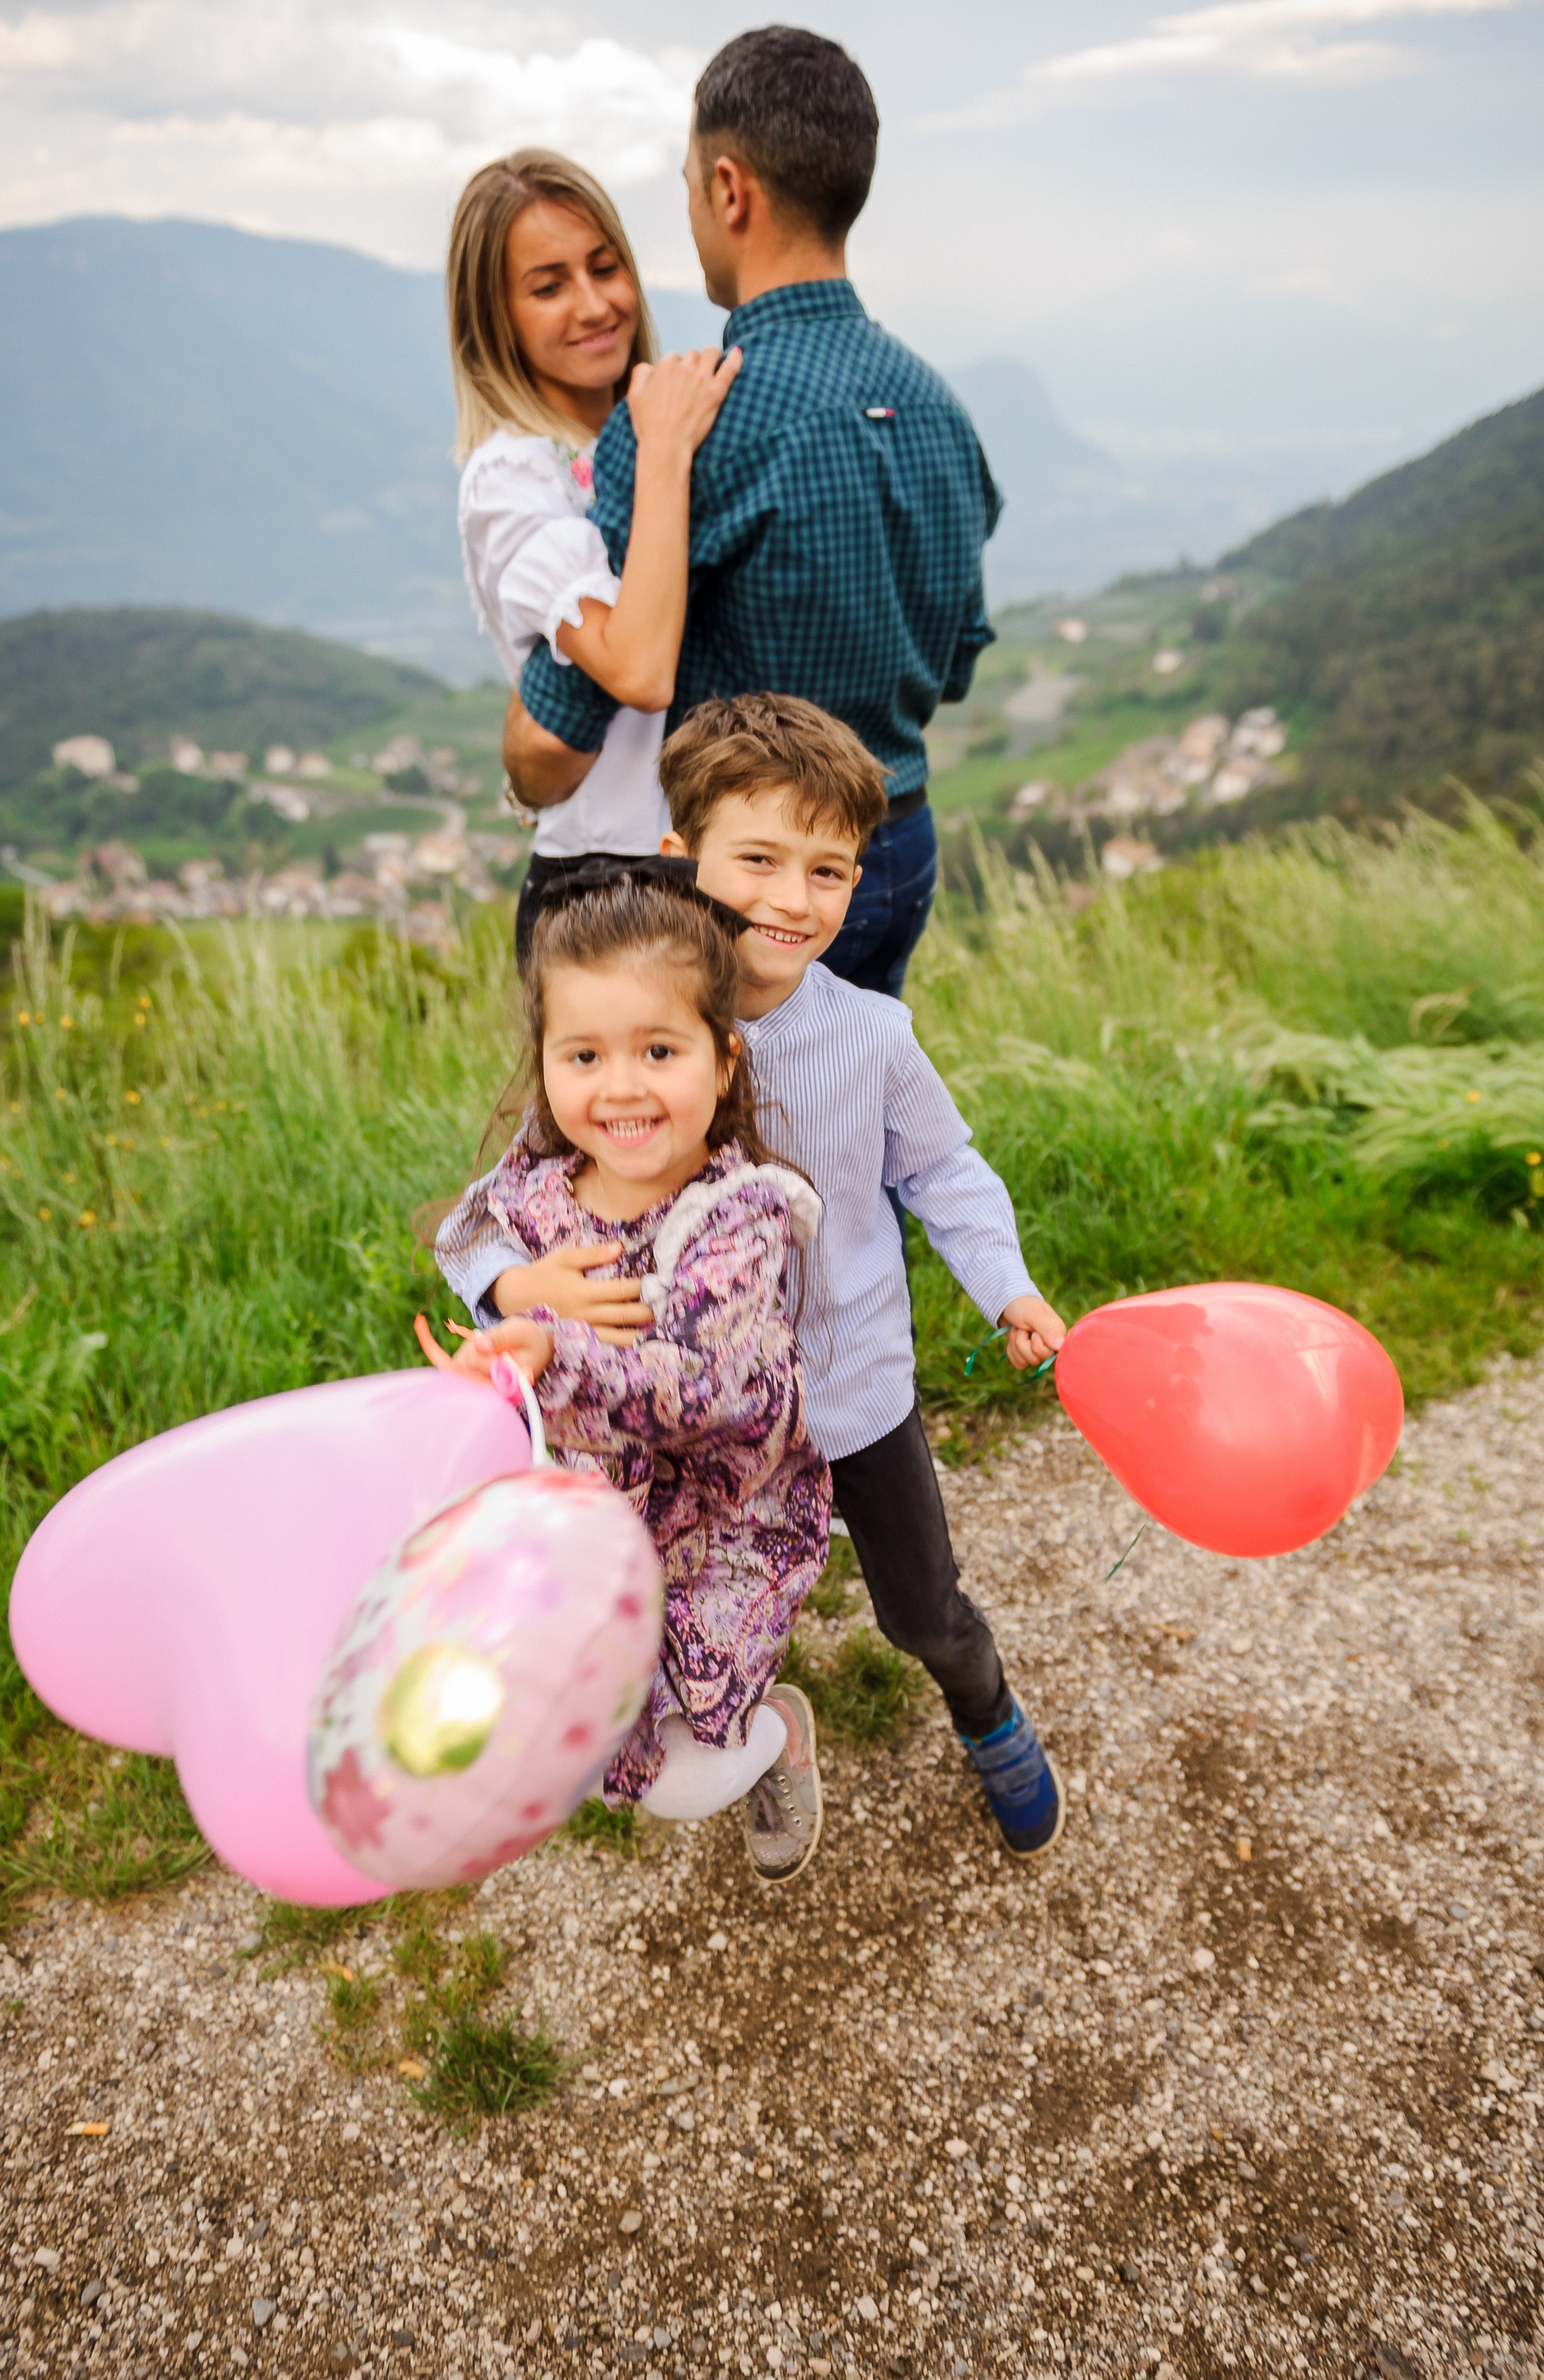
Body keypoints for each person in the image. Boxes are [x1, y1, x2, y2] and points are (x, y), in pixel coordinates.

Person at [447, 695, 1072, 1862]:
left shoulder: (872, 1037)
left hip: (847, 1392)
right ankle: (756, 1739)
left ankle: (983, 1705)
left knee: (919, 1608)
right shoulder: (628, 1036)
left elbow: (944, 1169)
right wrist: (517, 1291)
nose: (793, 898)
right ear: (680, 856)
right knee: (699, 1619)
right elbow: (495, 1207)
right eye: (759, 860)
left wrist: (1008, 1286)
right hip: (692, 1420)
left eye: (826, 870)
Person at [504, 28, 1001, 999]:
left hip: (750, 883)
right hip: (894, 847)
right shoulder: (940, 409)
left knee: (731, 1099)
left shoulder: (687, 424)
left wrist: (521, 770)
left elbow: (562, 733)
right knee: (850, 1084)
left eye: (690, 185)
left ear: (729, 191)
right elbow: (953, 667)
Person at [424, 872, 830, 1885]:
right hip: (590, 1506)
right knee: (589, 1724)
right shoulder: (538, 1180)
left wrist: (550, 1349)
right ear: (545, 1063)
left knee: (682, 1773)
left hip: (714, 1514)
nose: (620, 1088)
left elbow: (700, 1386)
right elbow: (460, 1232)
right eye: (584, 1055)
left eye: (658, 1051)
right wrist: (513, 1290)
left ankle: (771, 1732)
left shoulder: (738, 1216)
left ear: (722, 1058)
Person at [447, 149, 741, 965]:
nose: (594, 304)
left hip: (706, 862)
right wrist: (665, 452)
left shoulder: (655, 424)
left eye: (605, 268)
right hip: (604, 876)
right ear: (496, 317)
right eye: (549, 287)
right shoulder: (512, 477)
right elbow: (639, 669)